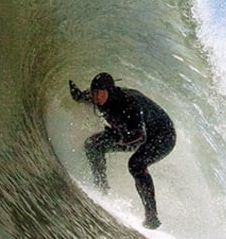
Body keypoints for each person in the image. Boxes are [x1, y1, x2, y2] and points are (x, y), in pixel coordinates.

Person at [69, 72, 176, 229]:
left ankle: (152, 216)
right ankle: (101, 189)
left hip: (163, 136)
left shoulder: (128, 103)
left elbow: (139, 137)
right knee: (93, 145)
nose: (95, 97)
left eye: (99, 93)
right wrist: (77, 94)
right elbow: (83, 97)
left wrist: (119, 137)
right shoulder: (99, 96)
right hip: (132, 134)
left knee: (136, 164)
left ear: (109, 91)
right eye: (93, 93)